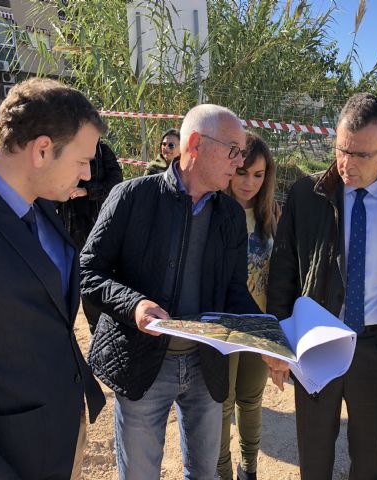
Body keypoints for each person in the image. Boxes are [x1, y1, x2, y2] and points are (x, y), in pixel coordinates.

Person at [80, 104, 260, 480]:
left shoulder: (229, 216)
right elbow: (88, 271)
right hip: (143, 362)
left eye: (241, 152)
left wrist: (270, 336)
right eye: (232, 150)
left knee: (205, 474)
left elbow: (233, 290)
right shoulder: (131, 197)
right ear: (194, 144)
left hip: (206, 365)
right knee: (140, 474)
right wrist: (135, 306)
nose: (239, 162)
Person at [265, 93, 377, 480]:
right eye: (342, 149)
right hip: (317, 343)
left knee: (371, 457)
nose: (346, 163)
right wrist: (277, 342)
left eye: (360, 154)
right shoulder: (307, 196)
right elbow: (284, 270)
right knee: (314, 452)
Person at [0, 78, 106, 479]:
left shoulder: (38, 203)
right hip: (7, 458)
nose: (87, 174)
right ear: (42, 150)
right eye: (83, 160)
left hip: (55, 435)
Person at [218, 131, 280, 480]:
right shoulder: (214, 210)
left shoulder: (270, 213)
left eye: (259, 175)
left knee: (251, 401)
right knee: (222, 405)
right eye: (243, 172)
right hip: (222, 328)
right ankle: (223, 472)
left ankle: (249, 469)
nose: (250, 183)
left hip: (259, 326)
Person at [57, 139, 123, 250]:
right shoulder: (65, 150)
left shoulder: (103, 151)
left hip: (97, 217)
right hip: (69, 219)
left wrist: (87, 190)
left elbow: (116, 183)